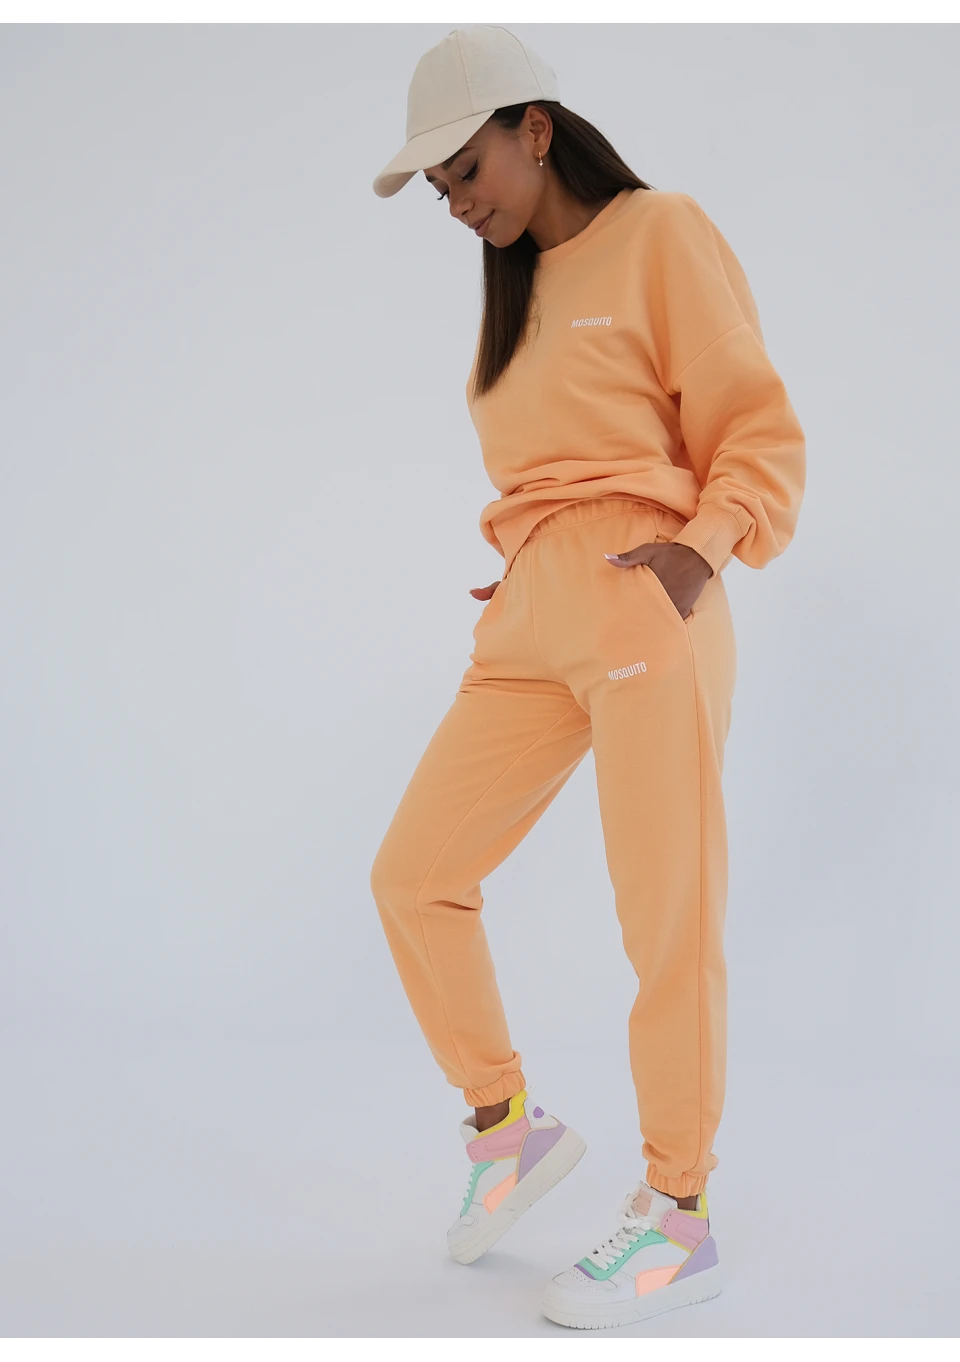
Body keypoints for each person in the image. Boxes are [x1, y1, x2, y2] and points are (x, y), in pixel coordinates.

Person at [369, 24, 805, 1332]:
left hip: (643, 601)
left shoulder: (660, 232)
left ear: (536, 128)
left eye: (466, 169)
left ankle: (679, 1214)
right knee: (415, 875)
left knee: (664, 916)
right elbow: (549, 465)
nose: (458, 203)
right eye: (439, 189)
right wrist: (531, 567)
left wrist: (696, 553)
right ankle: (506, 1125)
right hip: (532, 622)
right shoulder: (513, 290)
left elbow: (755, 427)